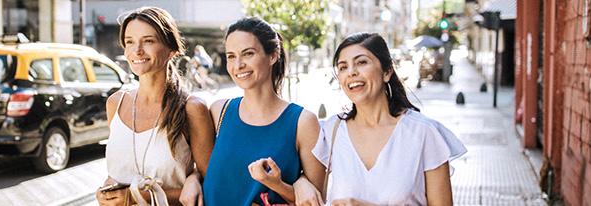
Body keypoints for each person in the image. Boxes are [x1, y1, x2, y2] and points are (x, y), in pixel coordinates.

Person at [295, 33, 467, 205]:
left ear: (387, 72)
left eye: (361, 62)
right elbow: (309, 186)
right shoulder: (330, 132)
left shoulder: (425, 133)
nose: (351, 72)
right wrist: (300, 183)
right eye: (342, 67)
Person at [193, 17, 324, 205]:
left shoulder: (303, 122)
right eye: (231, 56)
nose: (238, 65)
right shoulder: (218, 112)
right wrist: (193, 178)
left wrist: (282, 185)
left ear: (273, 55)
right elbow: (207, 169)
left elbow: (316, 201)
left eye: (248, 54)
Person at [95, 6, 214, 205]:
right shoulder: (116, 103)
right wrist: (106, 193)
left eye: (148, 41)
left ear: (172, 50)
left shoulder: (191, 108)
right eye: (130, 42)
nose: (137, 50)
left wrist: (137, 197)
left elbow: (211, 185)